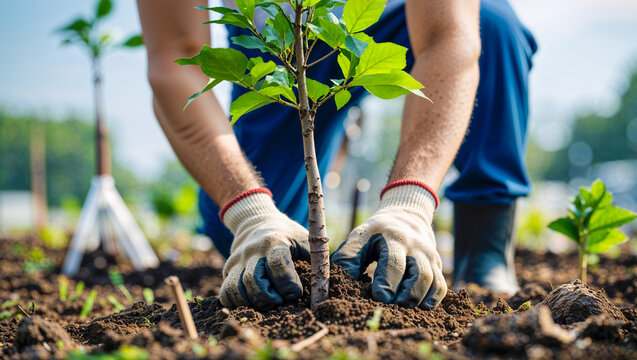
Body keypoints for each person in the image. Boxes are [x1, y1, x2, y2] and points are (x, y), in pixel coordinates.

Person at [136, 0, 537, 310]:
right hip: (278, 49)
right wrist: (248, 213)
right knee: (258, 249)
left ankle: (485, 249)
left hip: (401, 19)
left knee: (492, 27)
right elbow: (176, 59)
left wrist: (410, 205)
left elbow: (450, 39)